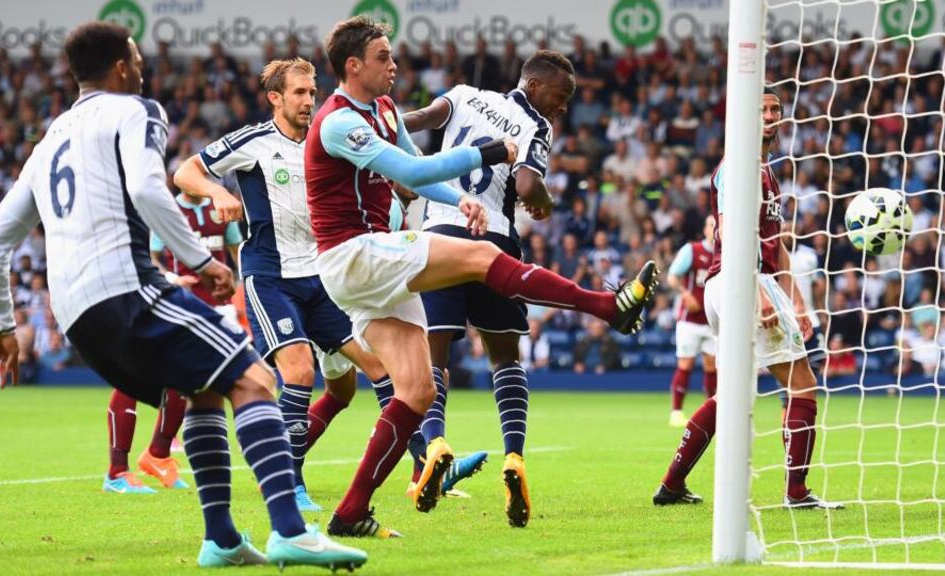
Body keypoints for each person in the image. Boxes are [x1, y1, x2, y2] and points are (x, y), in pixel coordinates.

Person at [0, 22, 366, 569]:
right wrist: (205, 263)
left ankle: (222, 539)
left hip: (76, 317)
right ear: (120, 67)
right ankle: (290, 530)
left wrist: (1, 327)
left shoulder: (49, 139)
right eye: (136, 57)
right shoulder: (137, 111)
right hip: (127, 289)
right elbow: (145, 188)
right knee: (254, 379)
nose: (141, 66)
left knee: (202, 390)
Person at [305, 16, 658, 538]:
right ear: (353, 66)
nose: (394, 65)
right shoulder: (336, 121)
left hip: (374, 263)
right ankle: (606, 306)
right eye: (383, 57)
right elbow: (410, 175)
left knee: (418, 390)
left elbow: (418, 163)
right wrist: (489, 152)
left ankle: (352, 510)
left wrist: (460, 198)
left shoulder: (382, 109)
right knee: (479, 263)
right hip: (353, 254)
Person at [173, 57, 443, 513]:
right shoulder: (253, 141)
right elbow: (186, 171)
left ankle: (427, 464)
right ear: (275, 98)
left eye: (312, 92)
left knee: (379, 368)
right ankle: (288, 482)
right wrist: (219, 192)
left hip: (322, 277)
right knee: (298, 372)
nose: (308, 100)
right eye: (298, 93)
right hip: (271, 276)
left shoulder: (326, 138)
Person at [400, 50, 609, 527]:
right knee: (505, 358)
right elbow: (530, 185)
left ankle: (434, 444)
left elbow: (413, 121)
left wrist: (379, 132)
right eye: (560, 96)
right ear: (534, 85)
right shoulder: (536, 125)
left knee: (434, 359)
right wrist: (547, 204)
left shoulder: (462, 95)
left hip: (439, 238)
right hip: (492, 244)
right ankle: (514, 457)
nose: (562, 107)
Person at [652, 88, 842, 510]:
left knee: (732, 394)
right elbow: (737, 231)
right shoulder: (739, 167)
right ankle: (797, 492)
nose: (772, 115)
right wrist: (757, 291)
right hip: (742, 281)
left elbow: (780, 247)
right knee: (803, 387)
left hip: (731, 286)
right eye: (763, 109)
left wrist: (799, 302)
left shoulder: (765, 171)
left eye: (776, 108)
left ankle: (671, 484)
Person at [100, 185, 246, 495]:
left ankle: (158, 454)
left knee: (189, 381)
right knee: (131, 376)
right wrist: (171, 279)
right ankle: (117, 470)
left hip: (197, 306)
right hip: (148, 299)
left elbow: (234, 251)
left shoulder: (211, 211)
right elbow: (150, 259)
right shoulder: (141, 209)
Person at [665, 216, 717, 428]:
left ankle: (712, 411)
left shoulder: (727, 254)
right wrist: (685, 295)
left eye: (718, 225)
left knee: (712, 366)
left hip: (714, 321)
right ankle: (676, 412)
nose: (715, 229)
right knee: (685, 363)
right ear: (705, 229)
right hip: (690, 321)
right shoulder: (692, 250)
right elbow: (672, 276)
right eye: (711, 225)